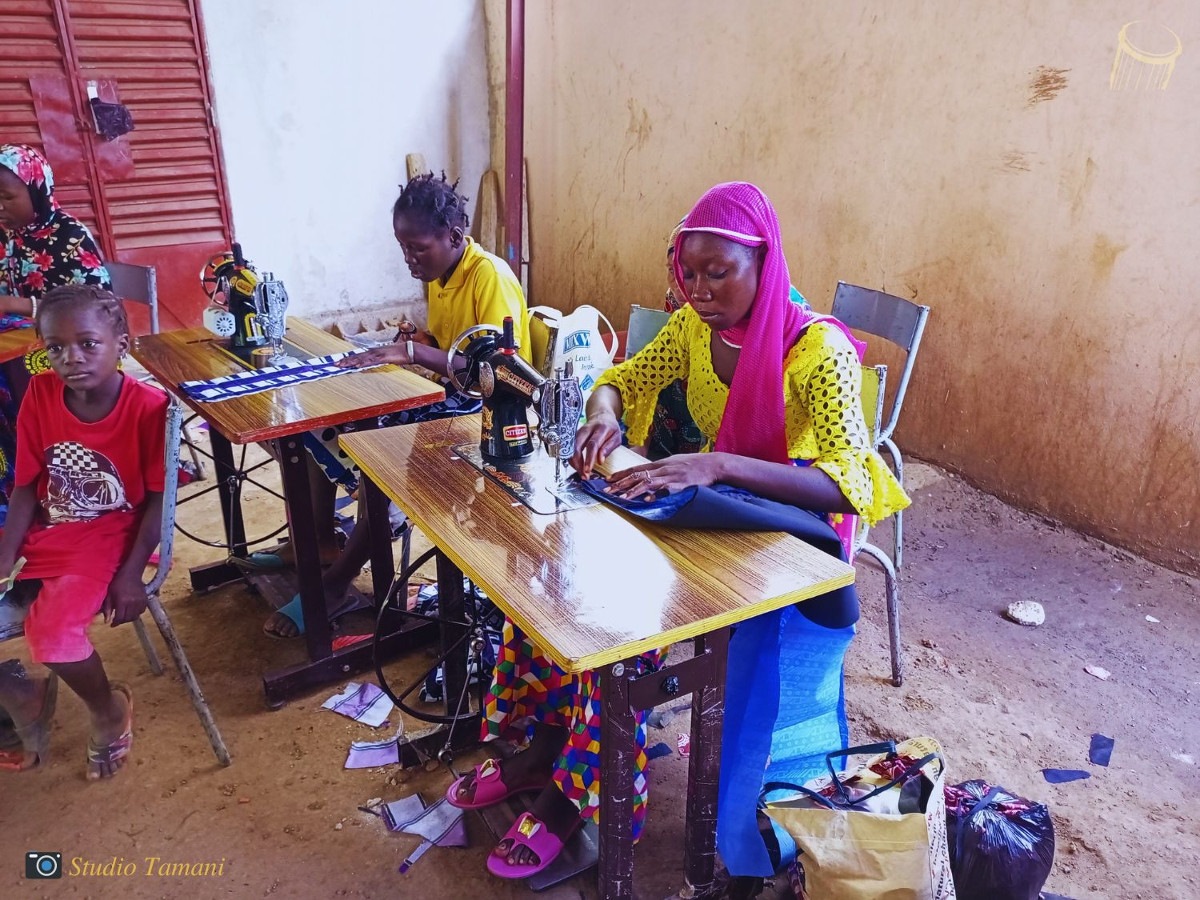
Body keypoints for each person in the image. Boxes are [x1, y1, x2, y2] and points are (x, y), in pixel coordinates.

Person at [448, 182, 909, 879]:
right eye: (688, 272)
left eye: (717, 272)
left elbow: (851, 483)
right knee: (554, 589)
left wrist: (715, 464)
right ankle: (544, 750)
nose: (697, 289)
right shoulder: (697, 330)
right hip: (715, 510)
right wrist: (605, 412)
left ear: (763, 263)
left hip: (792, 542)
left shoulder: (818, 353)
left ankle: (581, 794)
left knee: (624, 634)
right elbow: (623, 377)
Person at [262, 171, 531, 638]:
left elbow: (495, 371)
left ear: (454, 236)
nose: (408, 259)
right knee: (314, 420)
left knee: (382, 448)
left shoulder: (488, 277)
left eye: (417, 249)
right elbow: (447, 344)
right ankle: (323, 541)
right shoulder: (442, 275)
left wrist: (412, 353)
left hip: (484, 415)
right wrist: (415, 341)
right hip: (447, 394)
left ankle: (337, 583)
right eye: (402, 248)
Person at [0, 284, 166, 779]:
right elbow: (28, 484)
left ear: (122, 343)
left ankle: (108, 709)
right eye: (55, 347)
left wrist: (133, 575)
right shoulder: (40, 396)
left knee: (52, 634)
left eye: (88, 343)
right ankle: (19, 694)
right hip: (52, 532)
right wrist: (7, 553)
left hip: (113, 538)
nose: (71, 358)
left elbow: (159, 500)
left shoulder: (146, 408)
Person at [0, 144, 111, 522]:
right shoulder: (9, 236)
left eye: (7, 197)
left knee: (24, 382)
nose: (0, 207)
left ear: (36, 191)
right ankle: (18, 489)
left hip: (77, 350)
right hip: (23, 342)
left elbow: (97, 307)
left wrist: (17, 305)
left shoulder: (67, 235)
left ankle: (60, 488)